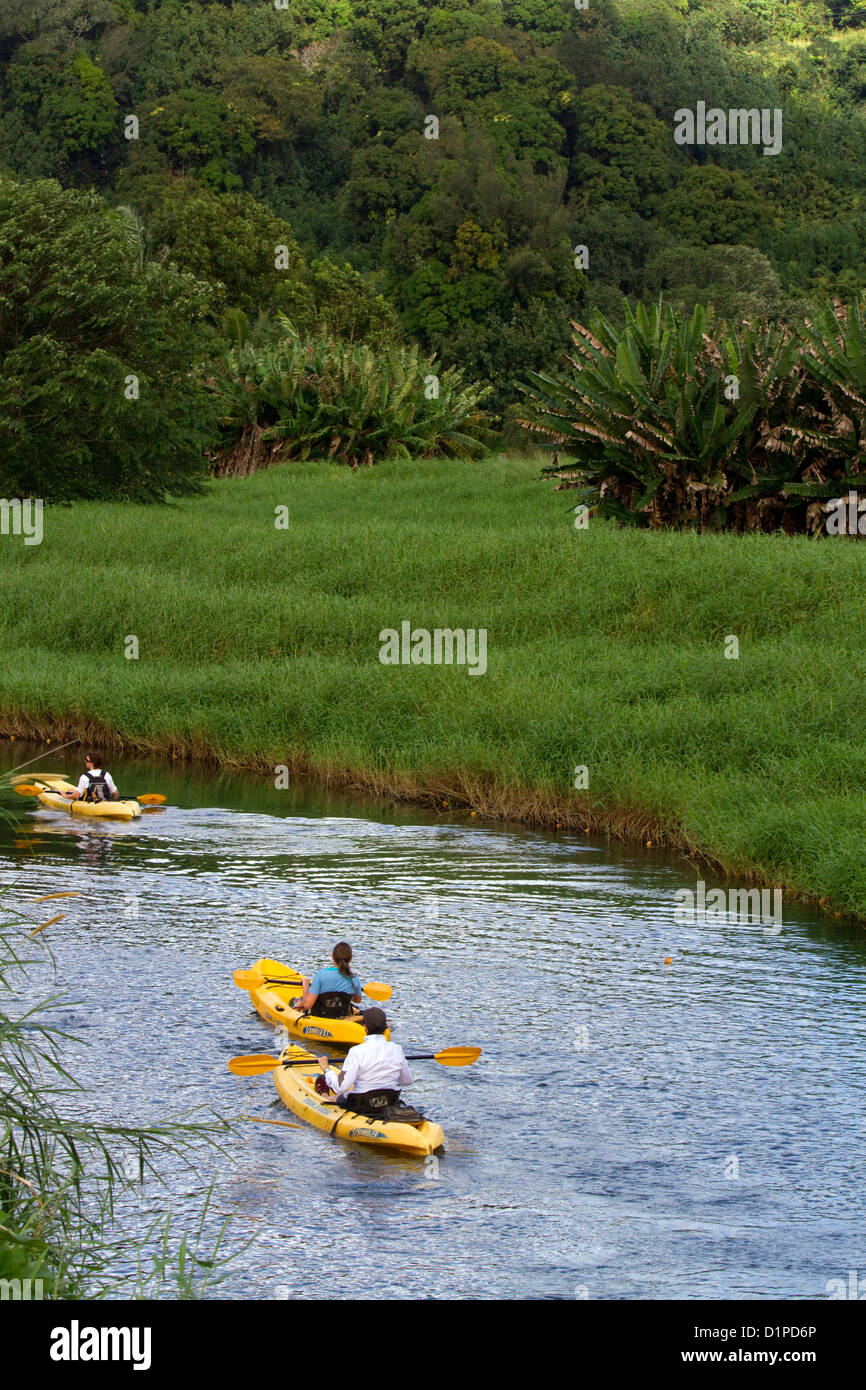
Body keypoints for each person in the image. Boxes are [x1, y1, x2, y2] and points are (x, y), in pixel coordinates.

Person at [317, 1008, 413, 1116]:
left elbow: (341, 1086)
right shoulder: (397, 1049)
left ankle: (325, 1096)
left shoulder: (356, 1051)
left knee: (337, 1096)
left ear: (365, 1027)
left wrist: (326, 1069)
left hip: (362, 1106)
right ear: (385, 1028)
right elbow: (407, 1081)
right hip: (389, 1102)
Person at [291, 941, 362, 1019]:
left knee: (297, 1002)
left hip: (319, 1017)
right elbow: (357, 1000)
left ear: (332, 956)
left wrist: (305, 985)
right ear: (350, 959)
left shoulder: (320, 975)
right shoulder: (354, 978)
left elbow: (307, 1005)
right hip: (342, 1017)